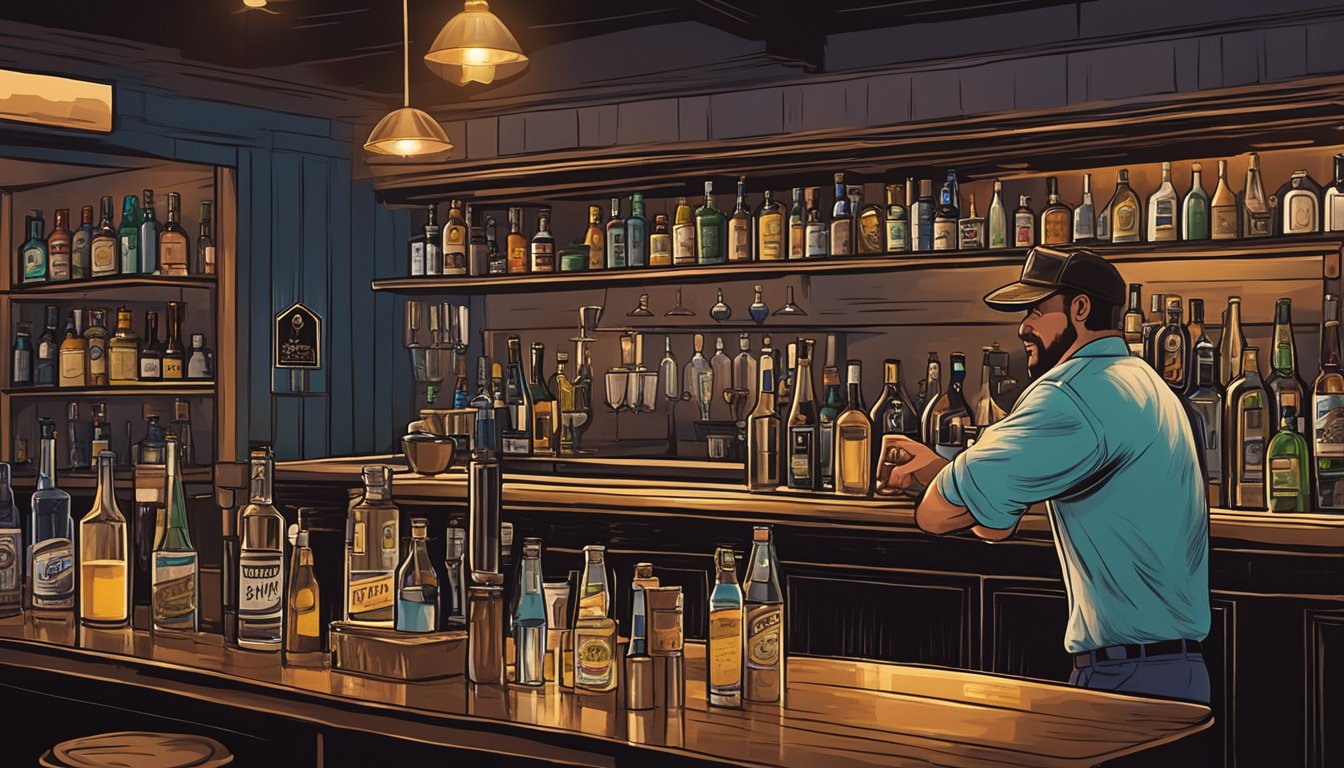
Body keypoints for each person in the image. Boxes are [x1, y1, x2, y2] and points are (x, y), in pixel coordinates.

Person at [876, 245, 1210, 703]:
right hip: (1179, 671)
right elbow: (995, 524)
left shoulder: (1071, 393)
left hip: (1126, 681)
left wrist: (943, 481)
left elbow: (935, 514)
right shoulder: (1145, 381)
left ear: (1080, 308)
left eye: (1036, 310)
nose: (1023, 327)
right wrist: (944, 470)